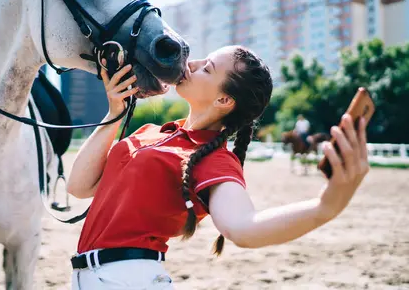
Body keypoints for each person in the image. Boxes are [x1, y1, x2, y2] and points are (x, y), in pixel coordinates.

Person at [67, 45, 370, 289]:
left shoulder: (213, 158)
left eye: (207, 68)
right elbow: (79, 186)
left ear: (224, 99)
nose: (193, 63)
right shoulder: (150, 131)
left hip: (129, 279)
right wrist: (115, 113)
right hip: (86, 275)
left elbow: (243, 228)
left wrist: (325, 207)